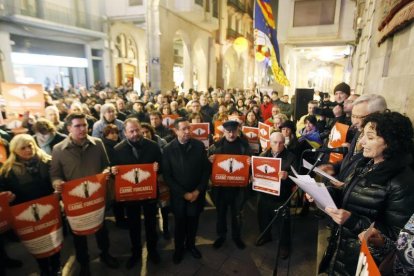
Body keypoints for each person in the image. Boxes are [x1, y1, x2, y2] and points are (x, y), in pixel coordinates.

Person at [316, 112, 414, 276]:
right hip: (342, 250)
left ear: (391, 141)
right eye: (363, 136)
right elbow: (349, 194)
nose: (361, 143)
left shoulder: (402, 182)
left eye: (370, 137)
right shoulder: (365, 163)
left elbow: (398, 239)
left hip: (364, 263)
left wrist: (352, 221)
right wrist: (323, 192)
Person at [50, 113, 119, 276]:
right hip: (75, 200)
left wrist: (106, 173)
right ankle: (84, 263)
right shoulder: (59, 149)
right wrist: (57, 183)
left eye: (84, 125)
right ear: (68, 128)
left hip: (96, 197)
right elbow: (55, 175)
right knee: (78, 236)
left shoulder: (97, 143)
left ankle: (105, 254)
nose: (82, 129)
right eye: (77, 126)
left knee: (102, 230)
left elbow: (106, 166)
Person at [0, 134, 61, 275]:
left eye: (30, 146)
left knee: (55, 240)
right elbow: (2, 190)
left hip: (50, 211)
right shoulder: (7, 171)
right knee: (37, 244)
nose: (28, 150)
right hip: (27, 217)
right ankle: (44, 270)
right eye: (23, 148)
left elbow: (57, 179)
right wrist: (8, 196)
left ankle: (57, 267)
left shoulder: (47, 162)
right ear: (15, 150)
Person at [110, 118, 162, 268]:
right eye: (131, 131)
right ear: (125, 133)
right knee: (134, 225)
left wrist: (158, 168)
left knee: (151, 223)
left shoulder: (153, 146)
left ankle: (153, 250)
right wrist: (113, 171)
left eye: (137, 130)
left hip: (150, 192)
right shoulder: (118, 149)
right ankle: (135, 252)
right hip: (130, 195)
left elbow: (162, 165)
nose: (135, 134)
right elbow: (114, 171)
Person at [162, 118, 210, 264]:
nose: (188, 131)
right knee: (180, 223)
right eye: (184, 129)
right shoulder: (169, 149)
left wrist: (198, 191)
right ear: (175, 130)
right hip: (179, 195)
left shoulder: (199, 146)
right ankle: (178, 249)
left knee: (193, 222)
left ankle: (191, 246)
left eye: (189, 128)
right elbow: (167, 176)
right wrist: (184, 193)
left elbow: (205, 171)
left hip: (196, 194)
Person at [208, 120, 252, 250]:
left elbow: (251, 167)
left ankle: (236, 237)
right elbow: (207, 167)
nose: (231, 134)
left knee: (237, 214)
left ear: (238, 131)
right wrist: (209, 161)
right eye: (228, 132)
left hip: (238, 189)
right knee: (221, 213)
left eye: (234, 131)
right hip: (221, 188)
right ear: (224, 132)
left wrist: (250, 163)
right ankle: (221, 236)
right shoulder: (215, 146)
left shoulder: (244, 146)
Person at [255, 132, 296, 260]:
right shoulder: (262, 156)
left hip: (282, 196)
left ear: (284, 143)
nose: (278, 145)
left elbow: (297, 177)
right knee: (263, 217)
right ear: (269, 142)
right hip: (264, 194)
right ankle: (266, 236)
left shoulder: (291, 157)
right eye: (275, 142)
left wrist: (287, 176)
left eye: (281, 142)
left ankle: (285, 246)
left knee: (283, 222)